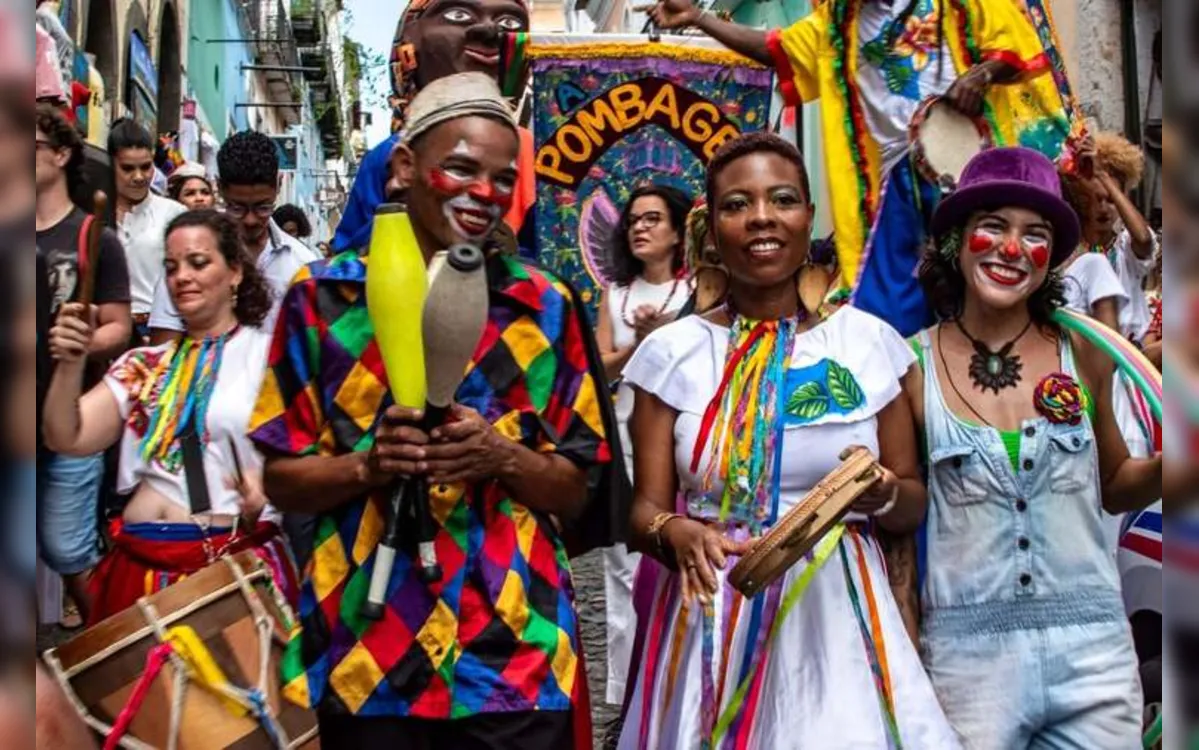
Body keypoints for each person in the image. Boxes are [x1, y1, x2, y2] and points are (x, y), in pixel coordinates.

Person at [249, 72, 617, 749]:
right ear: (403, 168)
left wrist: (500, 456)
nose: (486, 195)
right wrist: (370, 466)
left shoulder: (545, 306)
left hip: (512, 655)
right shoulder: (320, 300)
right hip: (368, 655)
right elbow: (281, 478)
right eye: (461, 169)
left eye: (504, 180)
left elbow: (577, 489)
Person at [618, 132, 957, 748]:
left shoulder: (868, 345)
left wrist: (879, 491)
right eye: (737, 205)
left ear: (808, 217)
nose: (762, 218)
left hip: (839, 618)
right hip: (712, 613)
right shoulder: (670, 354)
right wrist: (676, 532)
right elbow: (640, 510)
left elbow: (912, 502)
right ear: (712, 228)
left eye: (782, 199)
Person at [905, 147, 1160, 748]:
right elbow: (901, 538)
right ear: (957, 240)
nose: (1012, 249)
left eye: (1035, 234)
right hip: (968, 666)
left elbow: (1117, 481)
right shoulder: (909, 367)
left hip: (1094, 654)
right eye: (993, 226)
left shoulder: (1089, 352)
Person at [643, 0, 1074, 338]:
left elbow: (1015, 47)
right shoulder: (837, 20)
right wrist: (699, 17)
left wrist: (980, 74)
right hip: (891, 186)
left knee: (994, 293)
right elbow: (778, 50)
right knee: (882, 315)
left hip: (970, 173)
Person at [41, 210, 298, 624]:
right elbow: (66, 436)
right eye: (171, 267)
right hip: (135, 571)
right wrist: (71, 363)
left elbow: (300, 457)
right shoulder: (144, 364)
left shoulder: (269, 358)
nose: (181, 277)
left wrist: (268, 499)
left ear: (235, 273)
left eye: (198, 263)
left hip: (224, 569)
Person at [331, 0, 535, 254]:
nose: (489, 31)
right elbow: (349, 252)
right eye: (459, 15)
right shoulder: (388, 154)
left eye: (509, 22)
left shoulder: (533, 152)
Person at [593, 183, 690, 707]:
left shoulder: (698, 291)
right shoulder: (615, 294)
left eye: (653, 219)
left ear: (679, 232)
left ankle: (674, 680)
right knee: (619, 564)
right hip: (623, 441)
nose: (640, 228)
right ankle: (623, 689)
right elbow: (597, 364)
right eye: (633, 220)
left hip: (680, 449)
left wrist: (668, 333)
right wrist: (644, 346)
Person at [35, 103, 132, 625]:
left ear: (62, 154)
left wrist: (76, 345)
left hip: (72, 413)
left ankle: (111, 658)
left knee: (69, 549)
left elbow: (118, 325)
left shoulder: (94, 236)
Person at [148, 131, 321, 340]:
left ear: (279, 184)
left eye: (263, 207)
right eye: (237, 207)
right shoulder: (187, 254)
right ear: (219, 188)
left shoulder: (303, 265)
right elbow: (164, 348)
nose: (250, 220)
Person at [108, 118, 187, 342]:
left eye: (145, 166)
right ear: (110, 163)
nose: (139, 177)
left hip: (159, 332)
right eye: (128, 168)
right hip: (106, 332)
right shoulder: (93, 217)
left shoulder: (175, 215)